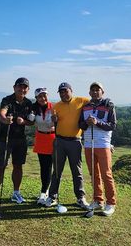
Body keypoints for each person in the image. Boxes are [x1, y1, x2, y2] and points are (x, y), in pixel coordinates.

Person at [0, 77, 33, 210]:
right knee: (0, 166)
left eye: (25, 87)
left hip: (20, 139)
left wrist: (23, 122)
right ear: (14, 87)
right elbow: (2, 113)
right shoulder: (7, 100)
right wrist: (5, 119)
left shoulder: (29, 103)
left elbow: (31, 121)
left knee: (18, 166)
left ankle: (16, 193)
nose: (22, 89)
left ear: (28, 90)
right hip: (6, 138)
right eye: (19, 86)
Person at [44, 82, 91, 210]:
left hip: (75, 141)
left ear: (71, 90)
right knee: (57, 171)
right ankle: (52, 197)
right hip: (59, 141)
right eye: (61, 92)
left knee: (77, 171)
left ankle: (80, 198)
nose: (64, 94)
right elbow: (53, 121)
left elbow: (95, 102)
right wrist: (54, 119)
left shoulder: (81, 100)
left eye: (66, 91)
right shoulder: (56, 105)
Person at [79, 82, 118, 216]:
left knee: (106, 174)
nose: (95, 92)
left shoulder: (109, 105)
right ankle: (97, 200)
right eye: (93, 90)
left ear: (102, 91)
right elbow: (80, 125)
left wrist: (97, 122)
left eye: (98, 90)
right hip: (89, 144)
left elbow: (113, 125)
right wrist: (86, 123)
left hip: (103, 144)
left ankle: (111, 203)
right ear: (89, 93)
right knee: (94, 174)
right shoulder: (85, 107)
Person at [28, 87, 56, 205]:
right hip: (40, 139)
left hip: (53, 139)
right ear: (36, 98)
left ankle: (51, 193)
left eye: (44, 96)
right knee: (44, 168)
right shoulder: (34, 108)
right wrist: (32, 112)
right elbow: (30, 121)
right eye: (40, 96)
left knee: (52, 167)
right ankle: (44, 192)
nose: (42, 98)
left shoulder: (54, 107)